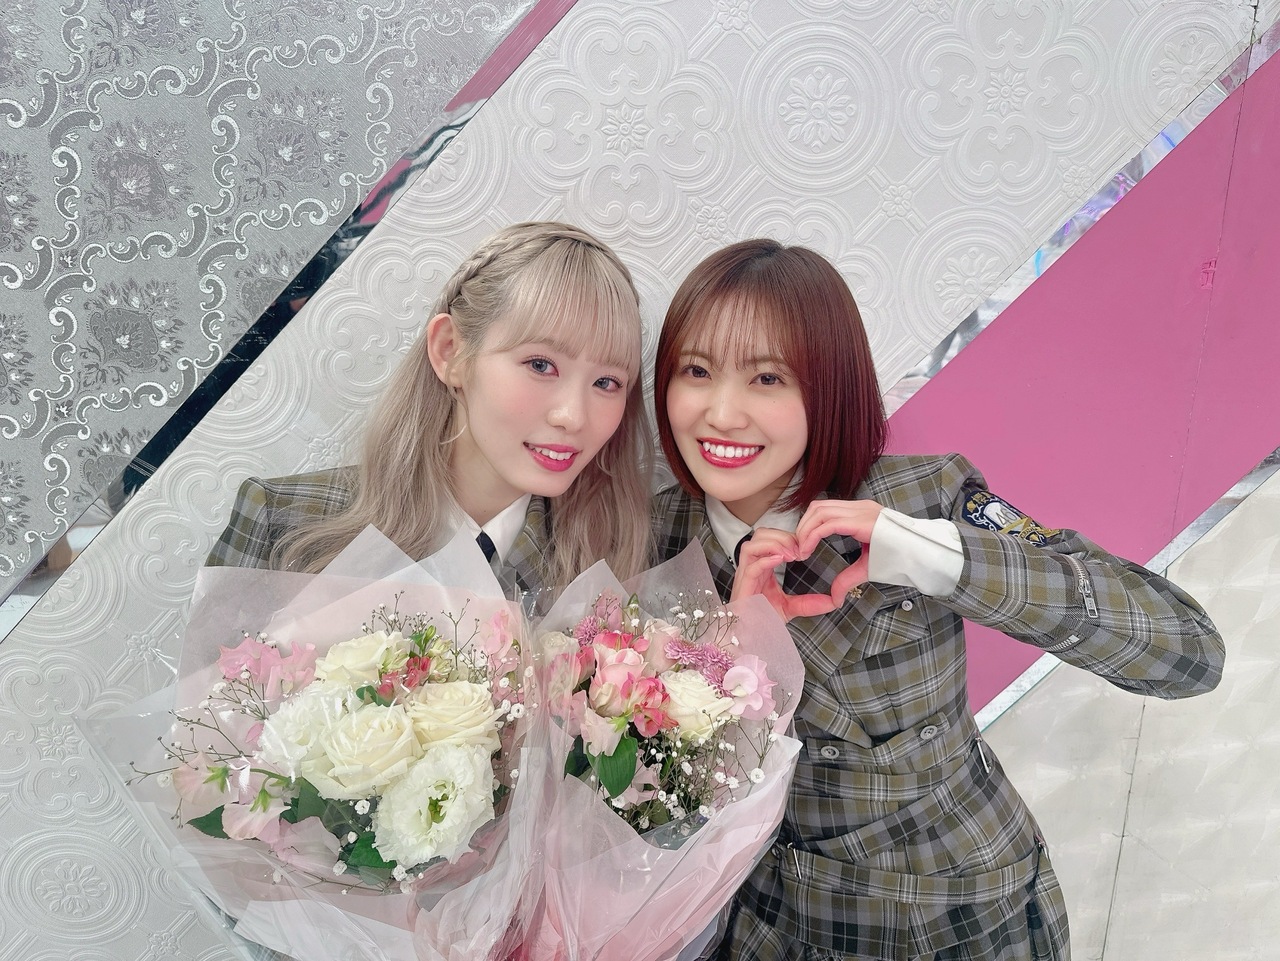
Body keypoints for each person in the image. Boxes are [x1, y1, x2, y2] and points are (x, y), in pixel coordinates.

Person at [650, 239, 1225, 961]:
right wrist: (734, 646)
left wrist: (931, 555)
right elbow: (654, 808)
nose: (722, 412)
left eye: (767, 377)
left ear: (829, 388)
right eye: (696, 371)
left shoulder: (925, 497)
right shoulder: (655, 540)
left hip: (962, 919)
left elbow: (1187, 653)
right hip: (771, 928)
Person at [207, 221, 652, 597]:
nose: (572, 417)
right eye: (540, 365)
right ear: (450, 351)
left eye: (606, 382)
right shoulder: (282, 523)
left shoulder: (616, 568)